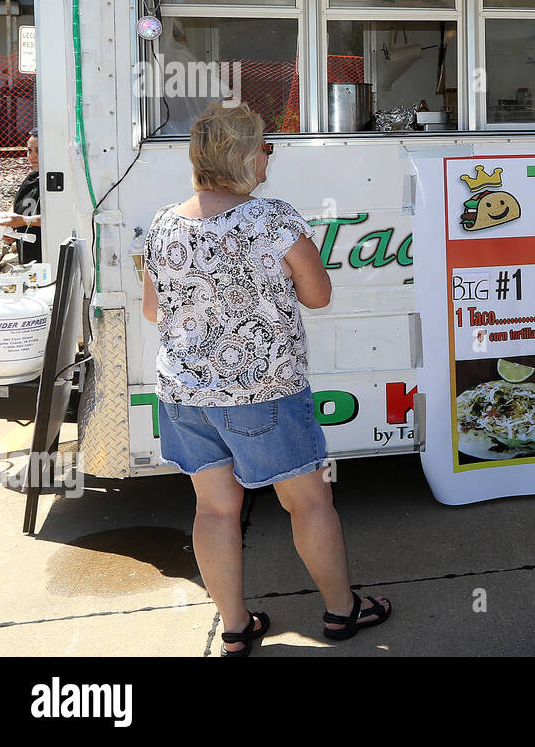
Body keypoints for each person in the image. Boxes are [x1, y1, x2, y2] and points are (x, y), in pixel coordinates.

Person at [142, 103, 392, 656]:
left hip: (185, 395)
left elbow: (154, 311)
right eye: (266, 147)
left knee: (212, 510)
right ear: (244, 156)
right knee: (308, 504)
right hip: (265, 394)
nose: (269, 157)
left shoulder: (163, 223)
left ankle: (236, 627)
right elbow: (318, 295)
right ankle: (340, 611)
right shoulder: (272, 220)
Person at [0, 130, 41, 263]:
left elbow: (59, 218)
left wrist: (24, 220)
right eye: (29, 150)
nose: (33, 156)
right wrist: (9, 225)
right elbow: (18, 203)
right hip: (27, 255)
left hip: (47, 255)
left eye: (38, 151)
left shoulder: (59, 181)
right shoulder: (32, 177)